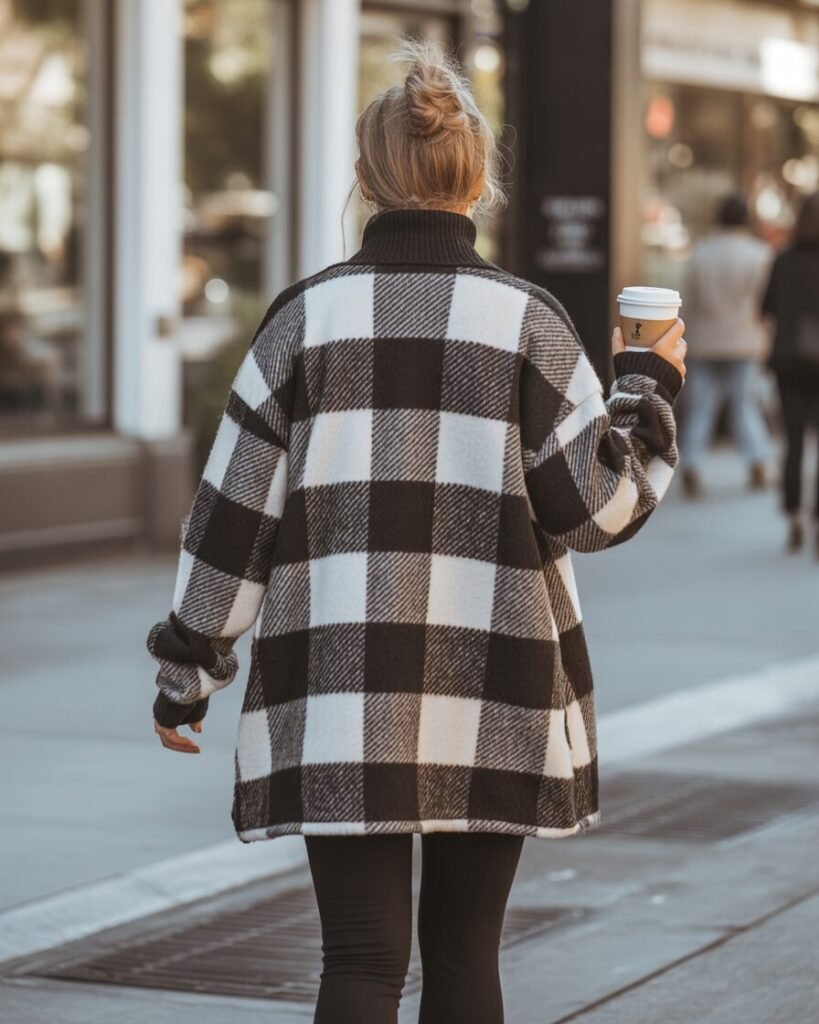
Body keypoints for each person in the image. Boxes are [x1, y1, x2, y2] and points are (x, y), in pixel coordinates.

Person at [145, 40, 687, 1024]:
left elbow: (233, 522)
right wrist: (647, 388)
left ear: (364, 178)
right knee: (466, 961)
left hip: (337, 681)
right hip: (495, 678)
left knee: (358, 959)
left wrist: (188, 671)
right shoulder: (529, 323)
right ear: (477, 182)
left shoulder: (300, 324)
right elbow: (597, 510)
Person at [678, 192, 774, 498]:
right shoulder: (759, 254)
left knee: (701, 407)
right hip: (744, 340)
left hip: (705, 340)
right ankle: (757, 459)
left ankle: (691, 463)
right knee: (745, 405)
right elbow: (766, 303)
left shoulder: (701, 253)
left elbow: (687, 300)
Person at [761, 190, 819, 555]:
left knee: (793, 440)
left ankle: (794, 514)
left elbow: (765, 307)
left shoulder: (783, 260)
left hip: (788, 360)